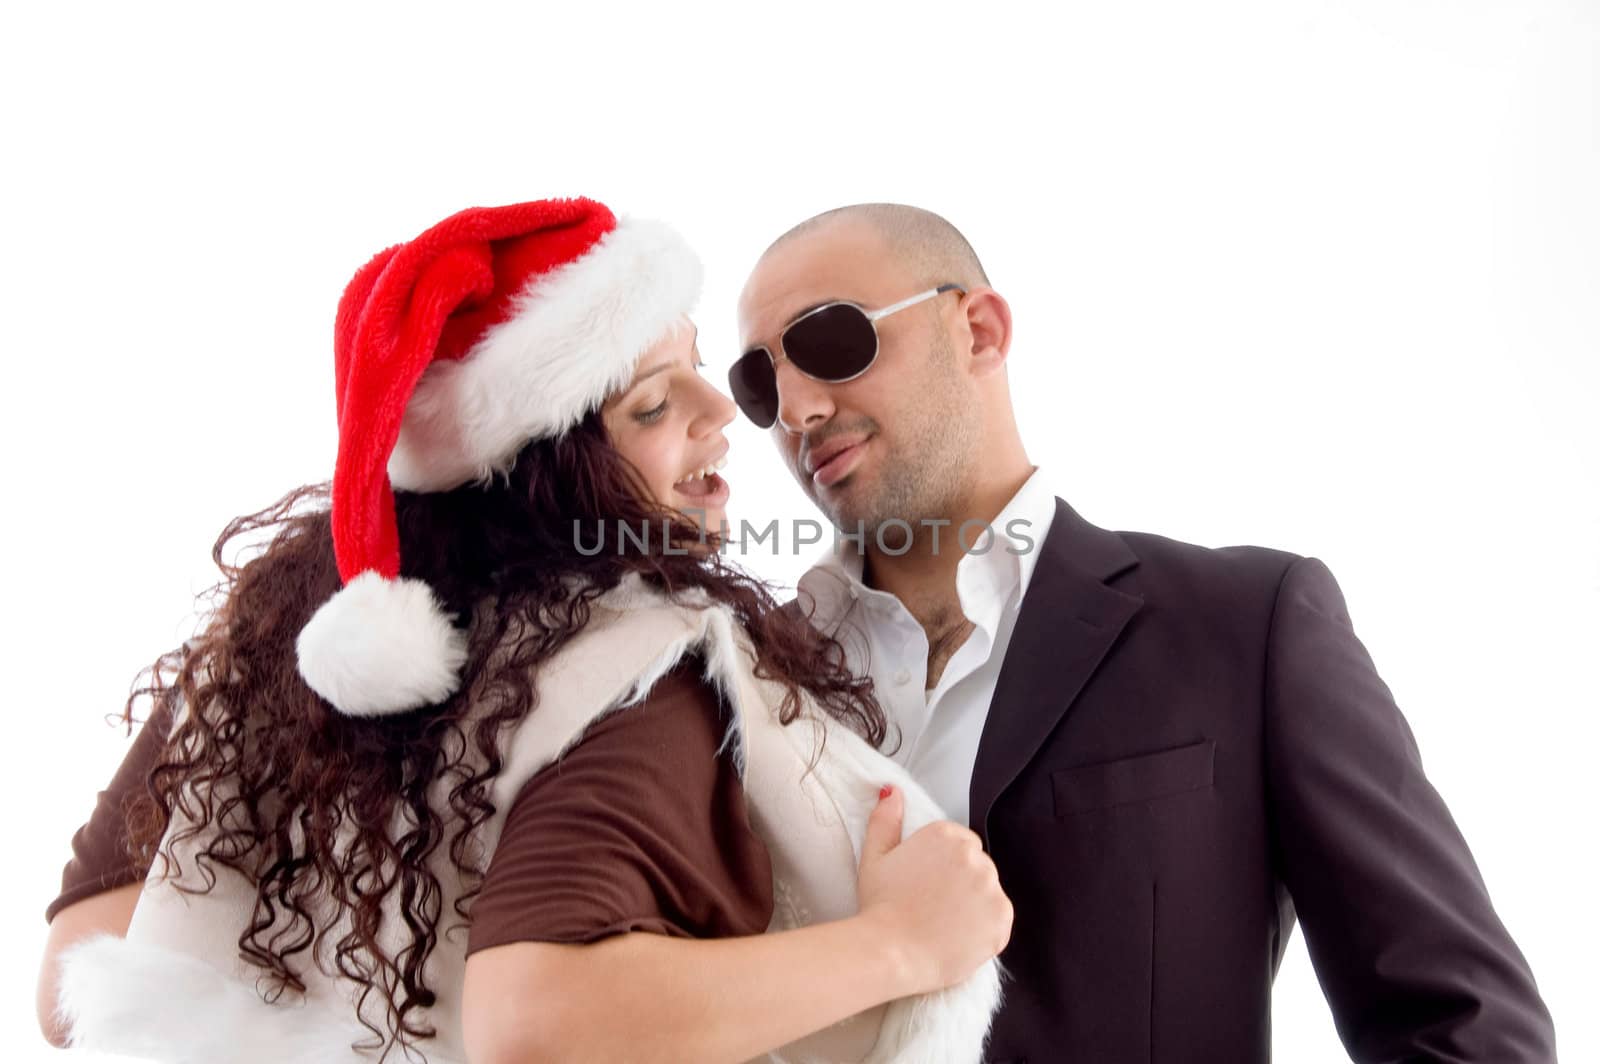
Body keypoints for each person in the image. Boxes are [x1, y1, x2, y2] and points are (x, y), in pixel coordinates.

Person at [36, 198, 1010, 1064]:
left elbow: (76, 979)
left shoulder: (285, 647)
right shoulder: (636, 659)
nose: (732, 412)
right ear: (552, 471)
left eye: (702, 372)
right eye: (654, 400)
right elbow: (534, 1020)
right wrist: (903, 943)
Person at [730, 203, 1558, 1063]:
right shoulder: (742, 685)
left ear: (978, 330)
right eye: (759, 384)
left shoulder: (1246, 625)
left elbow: (1469, 1029)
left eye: (832, 341)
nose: (796, 409)